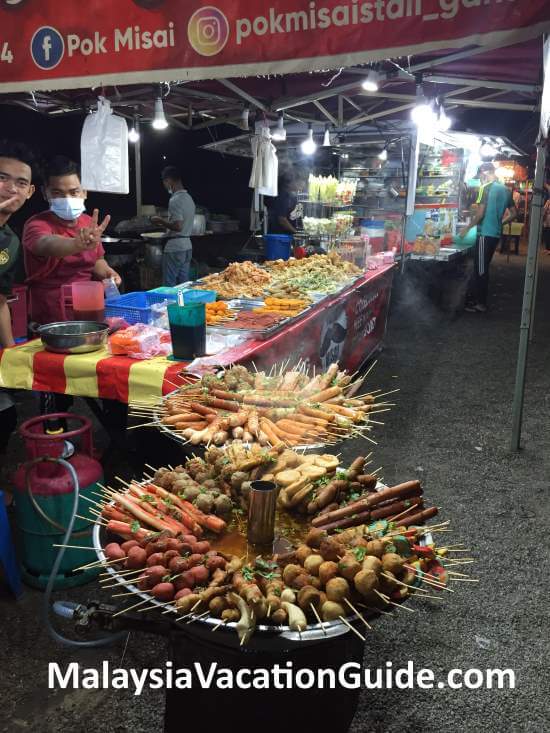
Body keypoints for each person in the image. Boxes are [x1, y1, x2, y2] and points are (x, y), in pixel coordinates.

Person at [22, 155, 120, 325]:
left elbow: (97, 259)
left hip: (89, 308)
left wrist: (107, 273)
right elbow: (46, 244)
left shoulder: (89, 222)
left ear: (84, 191)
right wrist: (75, 244)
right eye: (57, 193)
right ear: (45, 193)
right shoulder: (36, 224)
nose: (66, 199)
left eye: (74, 192)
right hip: (50, 314)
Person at [0, 140, 35, 465]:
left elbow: (0, 301)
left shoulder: (9, 240)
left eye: (20, 182)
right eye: (2, 177)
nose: (10, 187)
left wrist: (11, 352)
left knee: (5, 419)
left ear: (29, 192)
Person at [460, 162, 517, 313]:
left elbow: (480, 214)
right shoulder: (506, 190)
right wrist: (500, 222)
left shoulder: (485, 188)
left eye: (480, 175)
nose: (480, 179)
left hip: (484, 234)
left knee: (480, 269)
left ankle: (479, 303)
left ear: (484, 172)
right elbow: (514, 213)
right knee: (483, 267)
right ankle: (477, 301)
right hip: (495, 235)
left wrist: (467, 227)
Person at [151, 166, 196, 286]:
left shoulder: (175, 199)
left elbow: (178, 226)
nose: (165, 186)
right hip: (187, 246)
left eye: (164, 182)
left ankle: (169, 305)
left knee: (169, 285)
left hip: (175, 247)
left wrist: (160, 220)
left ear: (168, 180)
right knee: (184, 284)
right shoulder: (189, 198)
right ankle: (184, 305)